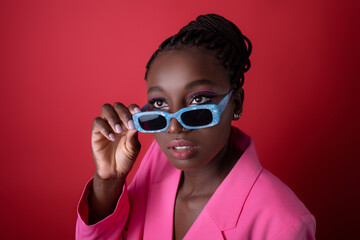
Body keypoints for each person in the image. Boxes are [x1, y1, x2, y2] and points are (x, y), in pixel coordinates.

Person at [76, 14, 316, 239]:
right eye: (159, 103)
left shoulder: (283, 222)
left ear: (236, 103)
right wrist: (108, 181)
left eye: (198, 101)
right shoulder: (155, 164)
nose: (173, 128)